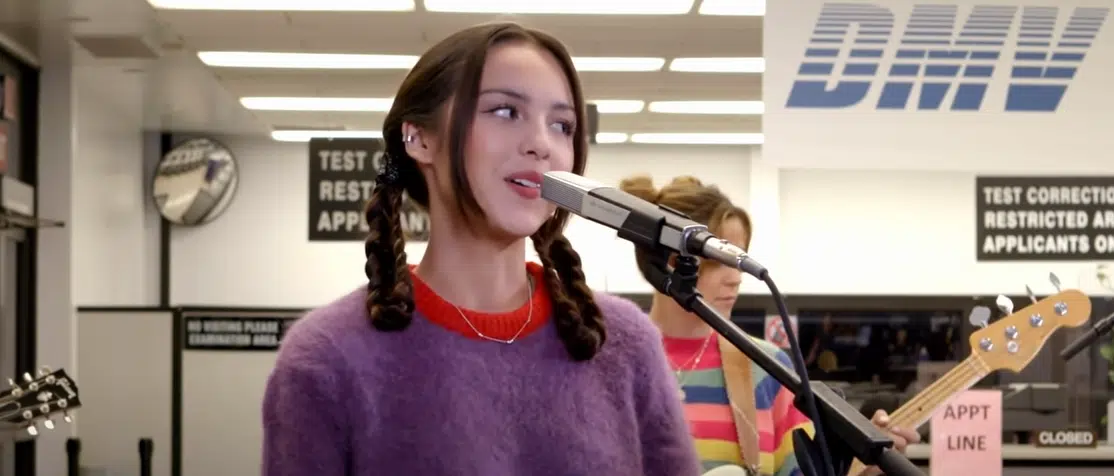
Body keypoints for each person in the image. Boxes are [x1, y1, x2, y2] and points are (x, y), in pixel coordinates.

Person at [260, 22, 702, 476]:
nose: (541, 144)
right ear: (420, 139)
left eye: (561, 125)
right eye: (506, 111)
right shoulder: (327, 358)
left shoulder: (624, 343)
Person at [619, 175, 920, 476]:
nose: (736, 278)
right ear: (671, 258)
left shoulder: (765, 368)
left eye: (737, 261)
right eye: (718, 259)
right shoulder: (613, 359)